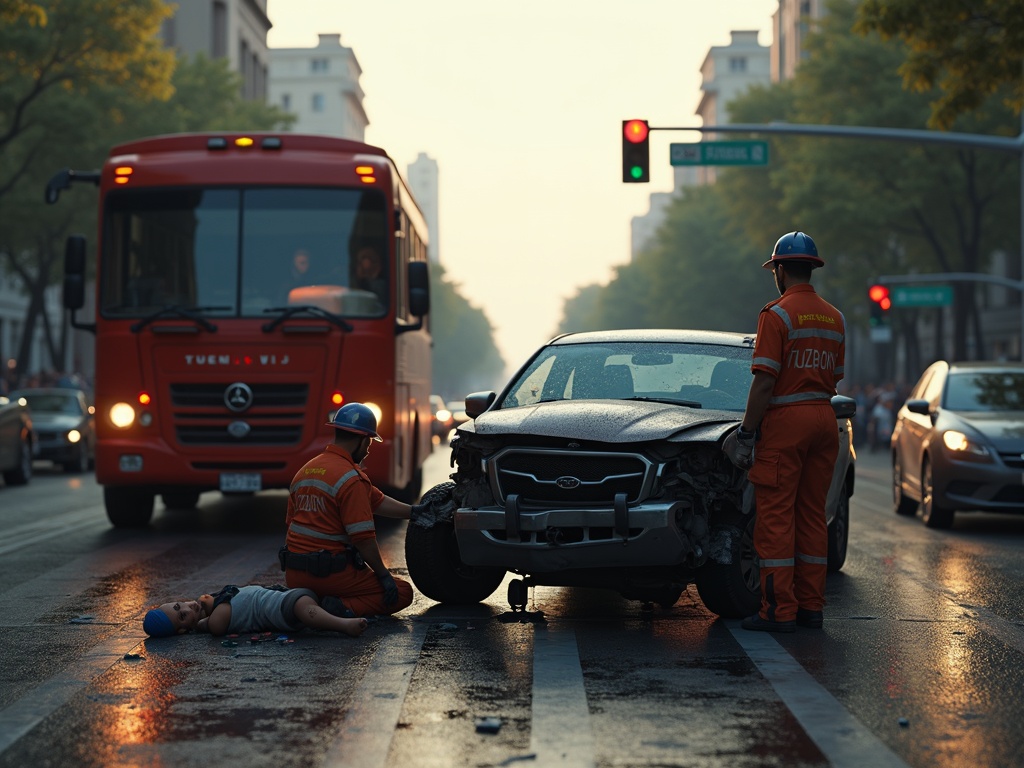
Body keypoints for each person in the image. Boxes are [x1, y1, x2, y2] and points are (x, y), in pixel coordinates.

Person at [723, 231, 845, 633]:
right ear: (811, 268)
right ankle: (811, 607)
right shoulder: (834, 317)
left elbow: (763, 382)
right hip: (823, 420)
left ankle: (778, 611)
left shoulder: (776, 315)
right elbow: (835, 377)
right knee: (812, 516)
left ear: (779, 269)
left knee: (775, 517)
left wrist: (746, 432)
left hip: (786, 424)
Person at [279, 402, 430, 617]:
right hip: (330, 575)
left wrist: (414, 512)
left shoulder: (306, 470)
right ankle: (339, 608)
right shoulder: (351, 479)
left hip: (294, 575)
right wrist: (383, 575)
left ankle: (310, 602)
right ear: (361, 440)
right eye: (368, 442)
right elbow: (363, 539)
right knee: (402, 592)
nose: (368, 450)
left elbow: (376, 500)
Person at [142, 584, 368, 638]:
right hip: (281, 609)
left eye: (179, 605)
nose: (187, 607)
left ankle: (337, 613)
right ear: (183, 630)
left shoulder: (211, 605)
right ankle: (342, 625)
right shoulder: (211, 622)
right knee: (305, 609)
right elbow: (219, 625)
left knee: (310, 603)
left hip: (281, 595)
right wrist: (222, 600)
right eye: (183, 615)